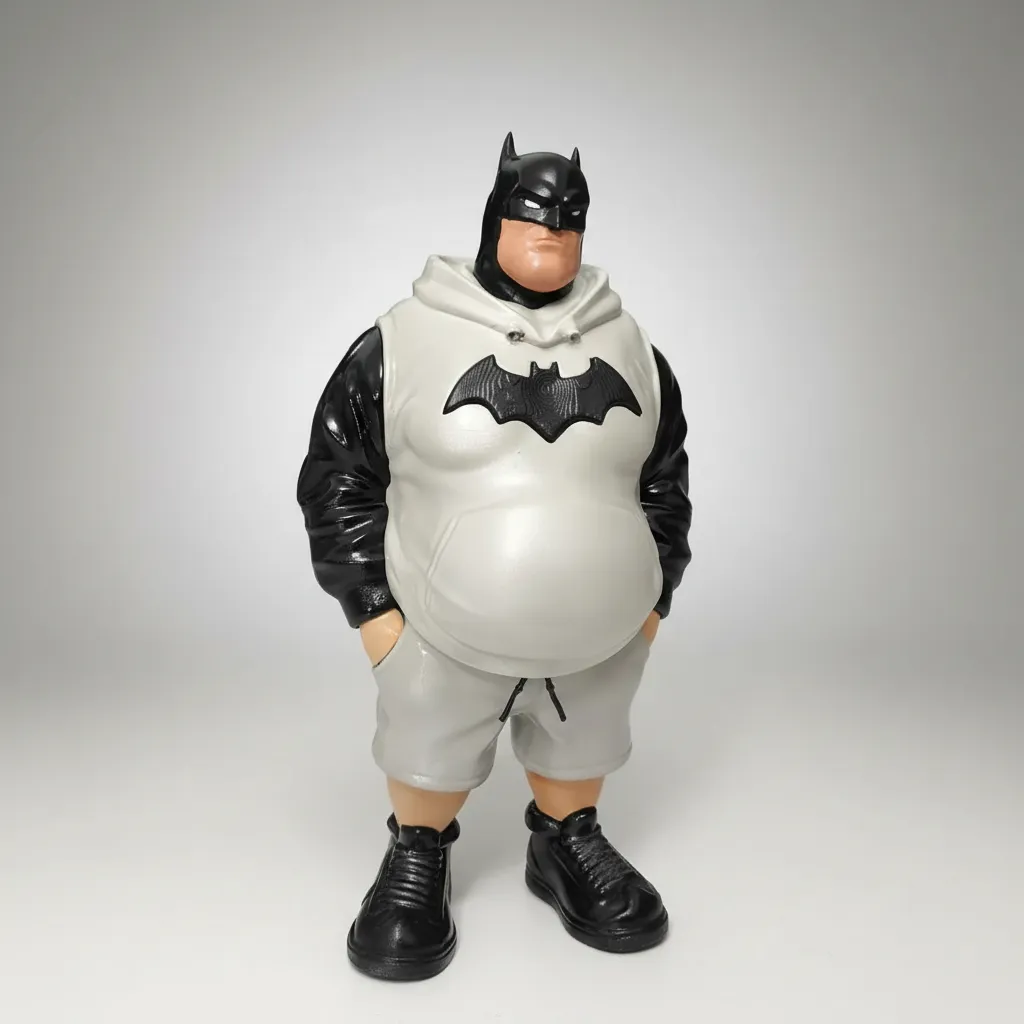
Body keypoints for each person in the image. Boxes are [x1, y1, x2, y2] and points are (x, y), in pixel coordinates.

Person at [297, 132, 692, 981]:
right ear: (497, 216)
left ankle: (565, 841)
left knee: (580, 747)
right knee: (429, 751)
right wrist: (374, 612)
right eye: (535, 214)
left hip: (603, 637)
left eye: (570, 219)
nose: (553, 231)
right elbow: (338, 477)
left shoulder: (630, 346)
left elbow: (665, 478)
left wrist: (654, 598)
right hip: (438, 633)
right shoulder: (405, 340)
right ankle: (418, 852)